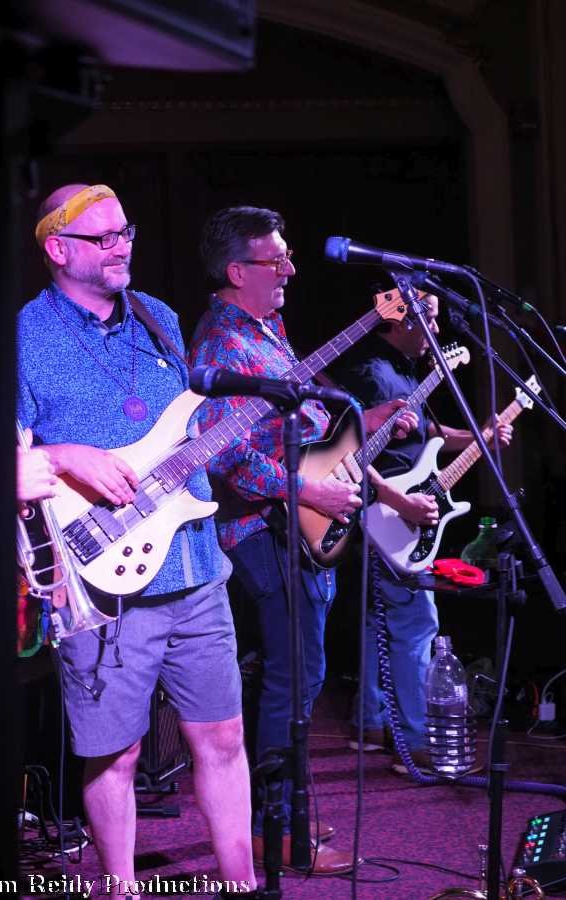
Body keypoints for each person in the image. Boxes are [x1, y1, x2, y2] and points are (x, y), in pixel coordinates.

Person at [17, 184, 258, 898]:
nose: (122, 246)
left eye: (126, 232)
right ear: (57, 249)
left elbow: (185, 432)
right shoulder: (23, 336)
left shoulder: (158, 317)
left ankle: (241, 884)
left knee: (223, 738)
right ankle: (121, 888)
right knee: (116, 756)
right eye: (103, 238)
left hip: (194, 564)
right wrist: (63, 455)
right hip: (100, 579)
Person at [189, 206, 419, 874]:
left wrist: (366, 418)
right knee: (293, 680)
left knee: (301, 675)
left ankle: (281, 818)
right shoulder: (222, 346)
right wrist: (309, 492)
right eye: (277, 259)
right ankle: (276, 830)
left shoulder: (268, 332)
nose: (290, 269)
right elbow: (225, 457)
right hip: (262, 529)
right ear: (239, 272)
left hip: (294, 527)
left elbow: (305, 425)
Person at [334, 293, 513, 773]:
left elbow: (429, 433)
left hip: (395, 512)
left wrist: (480, 436)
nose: (436, 331)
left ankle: (372, 723)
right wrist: (399, 502)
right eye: (429, 320)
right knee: (416, 626)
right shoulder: (372, 373)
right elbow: (348, 449)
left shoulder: (406, 373)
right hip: (388, 515)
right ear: (401, 321)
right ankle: (414, 742)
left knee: (379, 623)